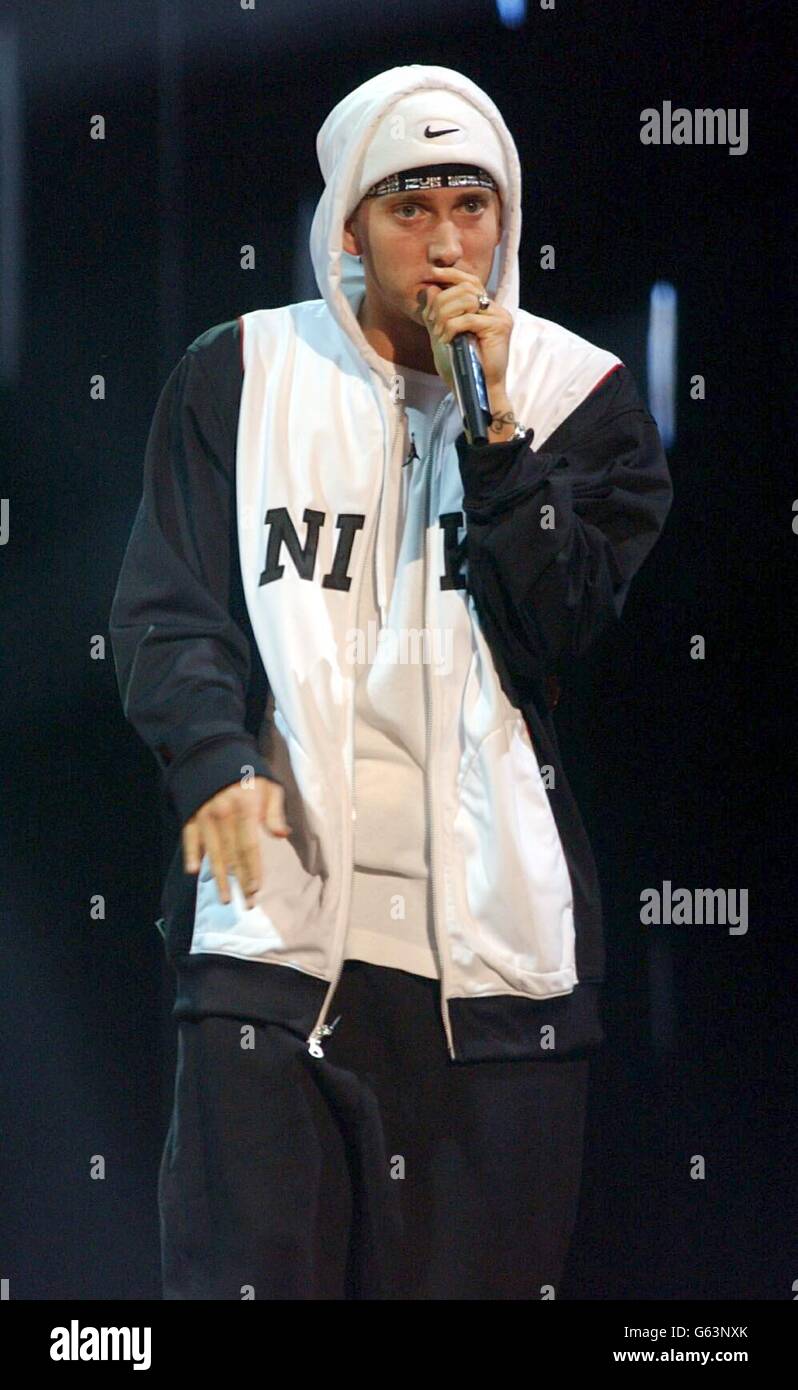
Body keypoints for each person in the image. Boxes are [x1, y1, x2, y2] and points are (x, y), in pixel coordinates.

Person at [109, 63, 673, 1300]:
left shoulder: (579, 398)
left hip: (495, 985)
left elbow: (564, 621)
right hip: (272, 952)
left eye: (472, 206)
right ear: (350, 227)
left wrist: (498, 438)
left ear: (506, 220)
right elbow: (169, 606)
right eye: (410, 208)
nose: (447, 242)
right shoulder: (242, 372)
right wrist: (214, 760)